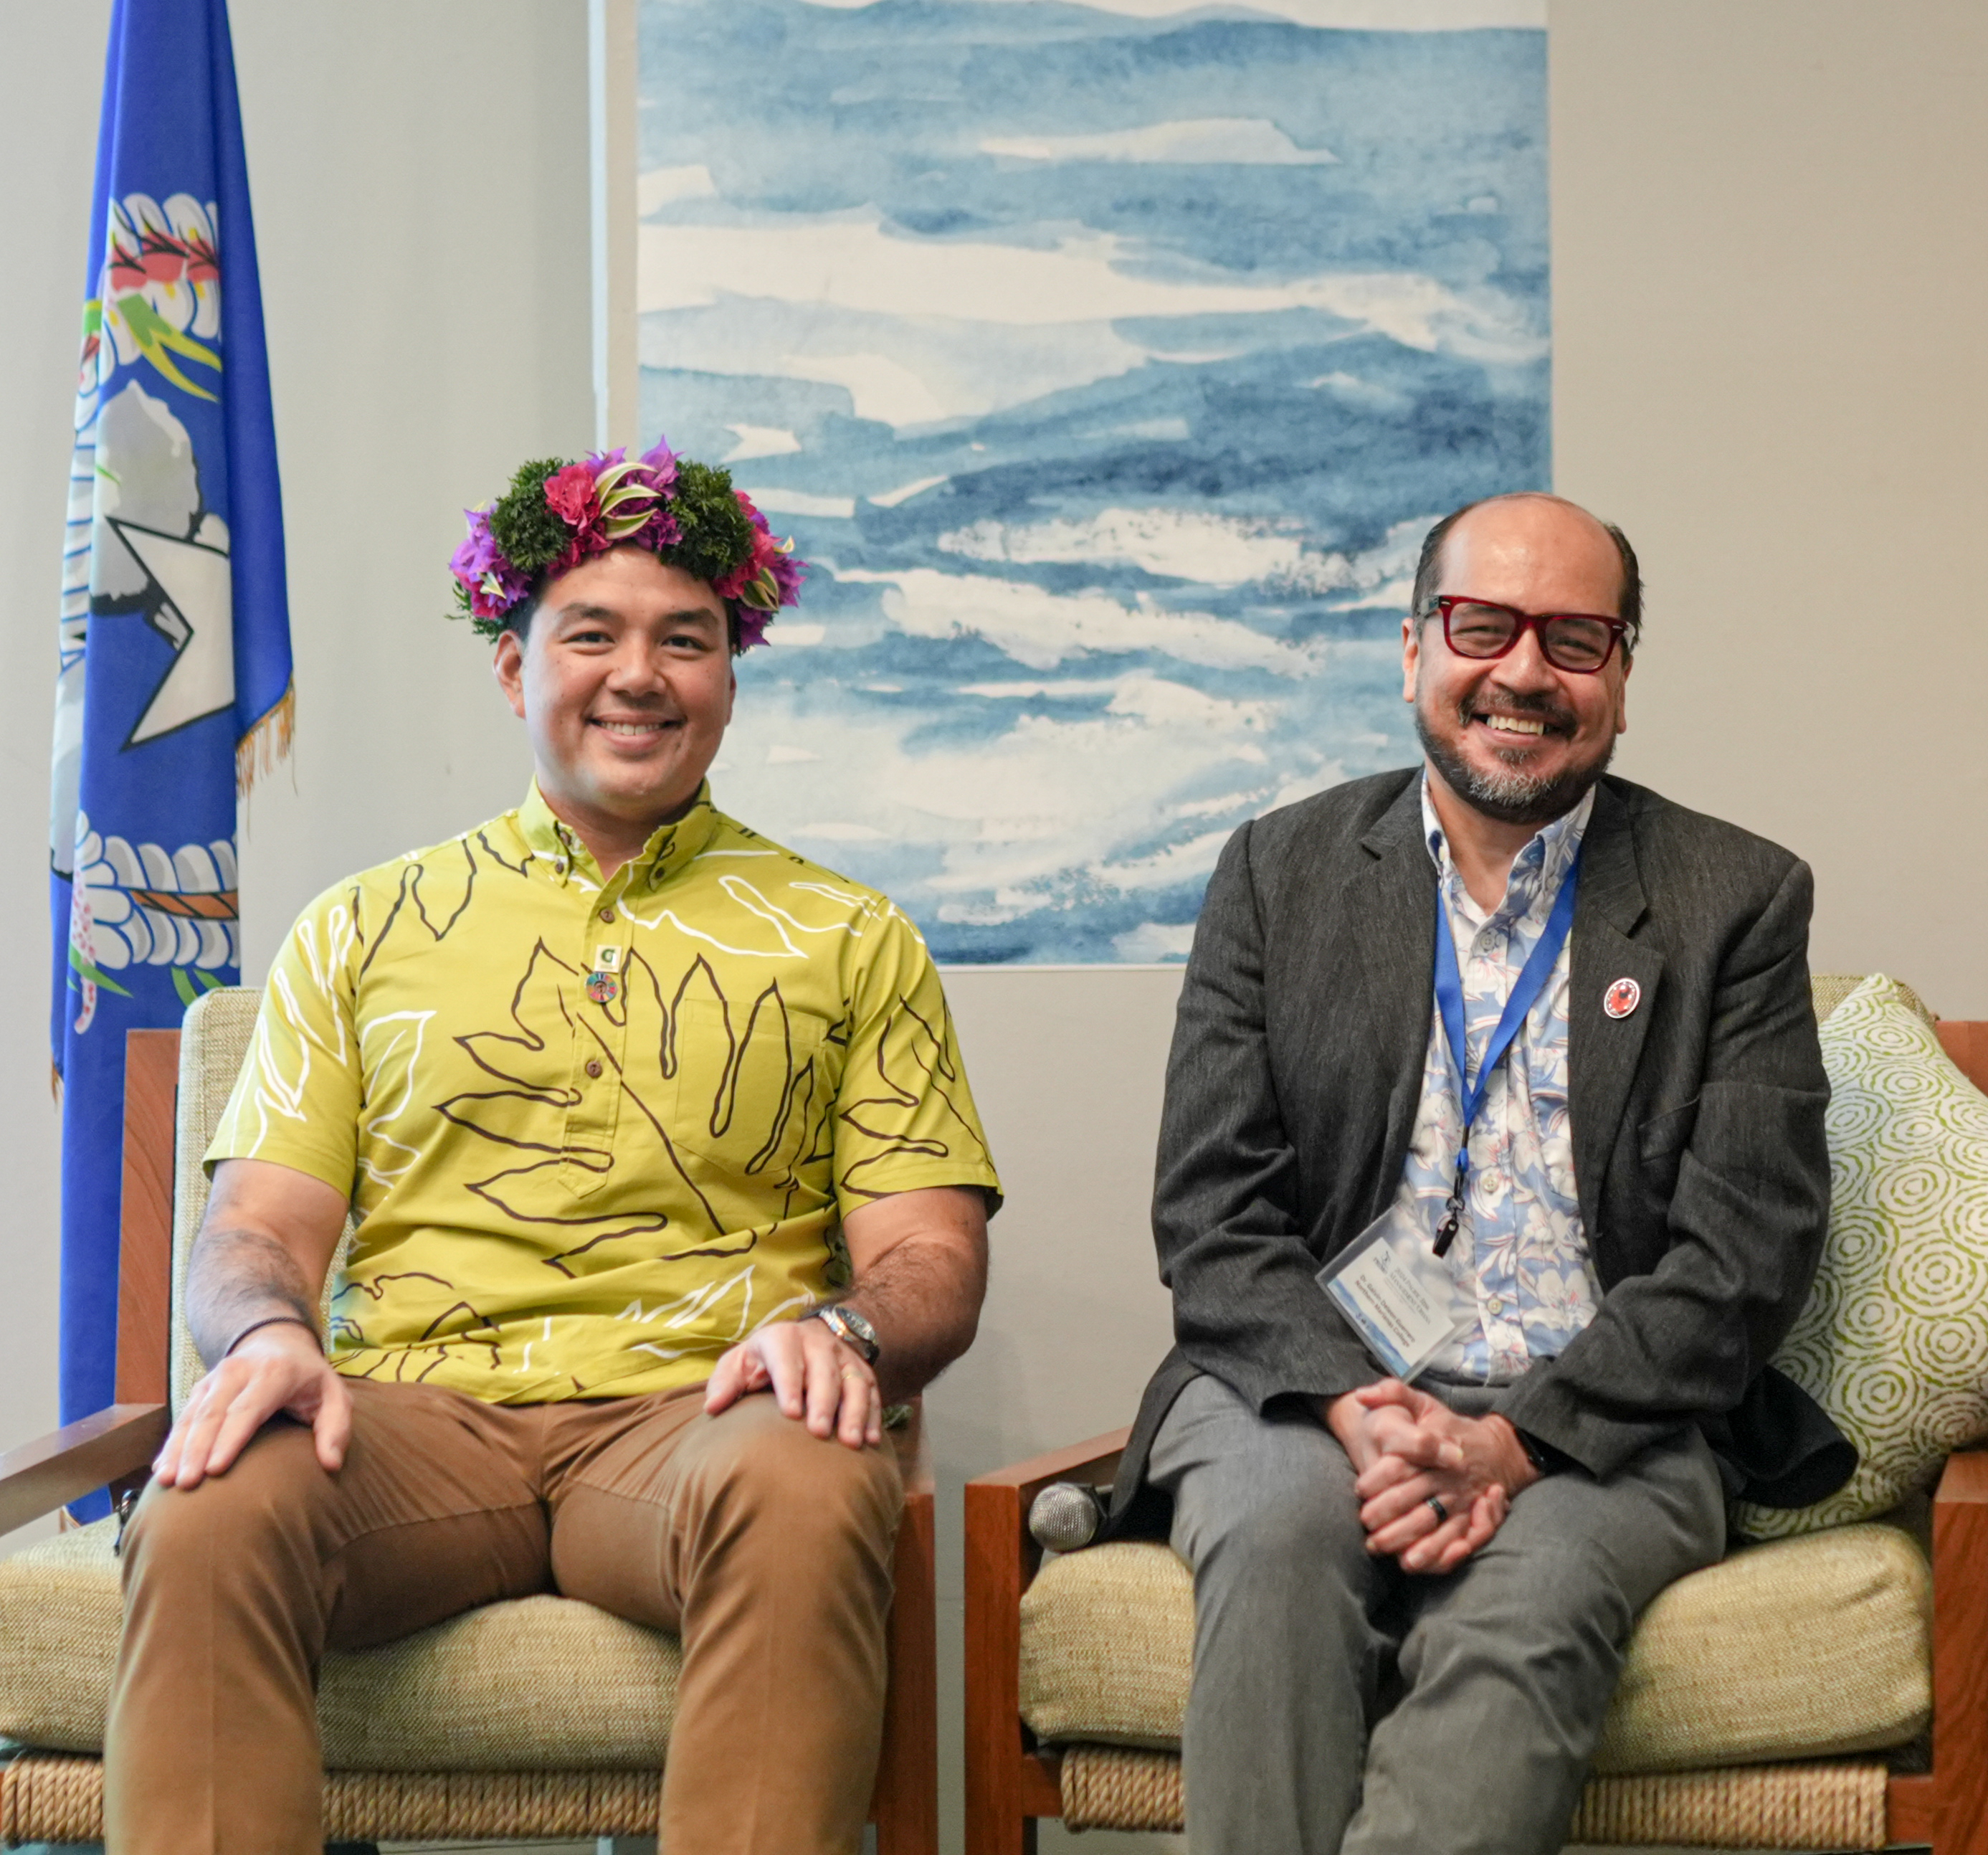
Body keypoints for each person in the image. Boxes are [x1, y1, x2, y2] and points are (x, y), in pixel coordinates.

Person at [108, 446, 1000, 1855]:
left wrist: (843, 1330)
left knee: (818, 1468)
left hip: (701, 1419)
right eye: (591, 633)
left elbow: (932, 1256)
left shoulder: (851, 937)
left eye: (684, 640)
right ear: (515, 671)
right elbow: (256, 1234)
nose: (638, 673)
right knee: (212, 1499)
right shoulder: (360, 929)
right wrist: (268, 1333)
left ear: (727, 676)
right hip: (406, 1424)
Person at [1108, 490, 1853, 1855]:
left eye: (1575, 638)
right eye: (1482, 626)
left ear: (1622, 679)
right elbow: (1213, 1212)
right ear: (1413, 650)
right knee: (1276, 1548)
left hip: (1599, 1426)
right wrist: (1362, 1415)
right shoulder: (1281, 872)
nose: (1522, 672)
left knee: (1527, 1612)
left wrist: (1507, 1444)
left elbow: (1743, 1256)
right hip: (1302, 1391)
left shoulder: (1735, 897)